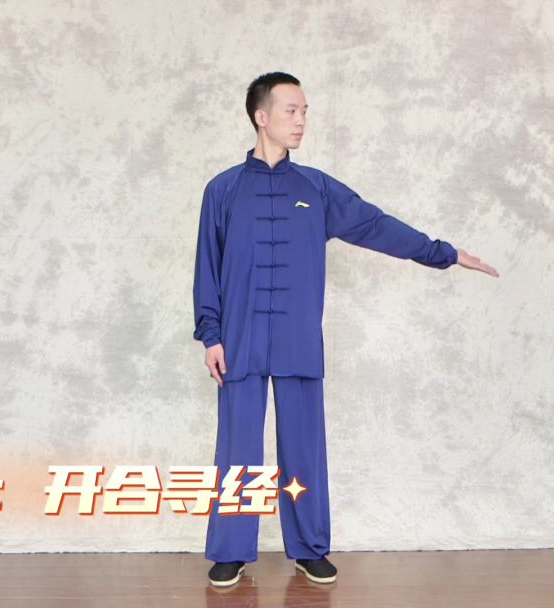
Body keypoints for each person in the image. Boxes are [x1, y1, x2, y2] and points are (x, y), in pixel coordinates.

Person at [193, 72, 499, 587]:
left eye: (305, 111)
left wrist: (443, 253)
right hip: (239, 340)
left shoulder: (315, 188)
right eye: (291, 110)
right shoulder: (222, 190)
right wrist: (211, 335)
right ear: (261, 116)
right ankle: (231, 549)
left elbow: (375, 224)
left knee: (303, 447)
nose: (301, 121)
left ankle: (309, 547)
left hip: (297, 340)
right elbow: (208, 265)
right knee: (237, 450)